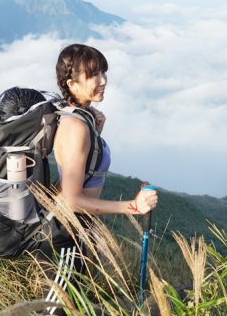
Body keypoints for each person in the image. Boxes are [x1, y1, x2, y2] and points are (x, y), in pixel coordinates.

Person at [37, 43, 158, 313]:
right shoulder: (76, 126)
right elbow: (72, 200)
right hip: (66, 233)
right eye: (93, 75)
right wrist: (132, 207)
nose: (103, 80)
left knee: (69, 306)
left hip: (76, 231)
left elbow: (79, 172)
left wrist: (96, 135)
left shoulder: (79, 118)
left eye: (103, 71)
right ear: (72, 83)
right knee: (54, 310)